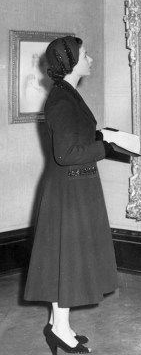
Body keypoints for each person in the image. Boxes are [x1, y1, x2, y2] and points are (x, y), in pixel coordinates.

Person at [24, 36, 118, 354]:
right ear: (71, 62)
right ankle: (59, 330)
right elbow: (66, 153)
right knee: (65, 260)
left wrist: (104, 136)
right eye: (85, 54)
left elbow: (76, 137)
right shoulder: (62, 100)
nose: (90, 58)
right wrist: (103, 147)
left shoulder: (68, 94)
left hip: (76, 186)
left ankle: (58, 326)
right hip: (68, 189)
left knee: (66, 260)